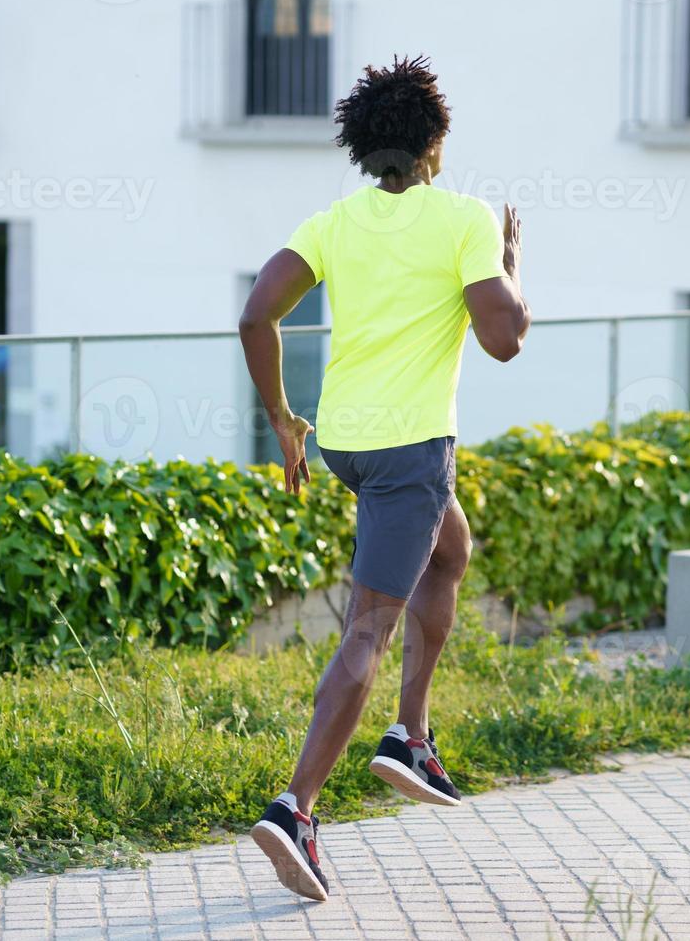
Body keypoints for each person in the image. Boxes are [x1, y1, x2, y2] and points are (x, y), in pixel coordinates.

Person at [237, 54, 530, 901]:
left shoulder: (334, 222)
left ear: (363, 151)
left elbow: (258, 312)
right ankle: (296, 808)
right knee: (368, 627)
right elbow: (505, 339)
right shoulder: (464, 218)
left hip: (346, 445)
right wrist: (512, 263)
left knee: (449, 550)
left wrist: (285, 421)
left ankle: (412, 733)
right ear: (435, 142)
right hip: (409, 452)